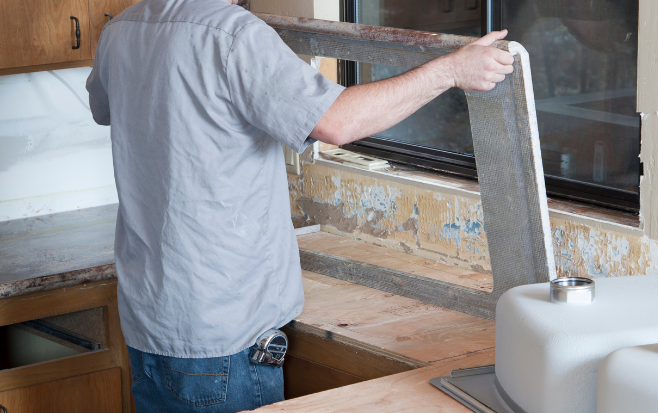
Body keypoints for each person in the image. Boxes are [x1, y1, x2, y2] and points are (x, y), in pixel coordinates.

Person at [86, 0, 513, 411]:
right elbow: (337, 122)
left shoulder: (121, 29)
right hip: (224, 331)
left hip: (148, 318)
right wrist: (451, 70)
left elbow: (105, 108)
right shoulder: (233, 35)